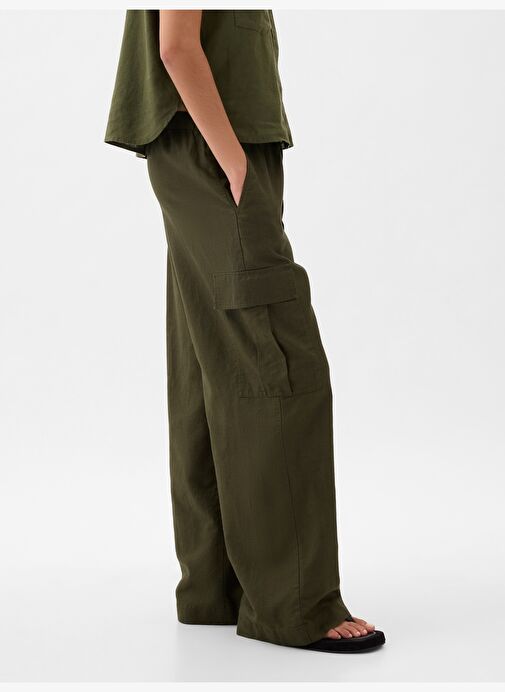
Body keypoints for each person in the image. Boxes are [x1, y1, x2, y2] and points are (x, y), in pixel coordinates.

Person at [104, 9, 385, 653]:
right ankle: (295, 603)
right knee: (277, 361)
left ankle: (219, 585)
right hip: (211, 143)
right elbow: (177, 47)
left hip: (203, 142)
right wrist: (231, 159)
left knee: (210, 360)